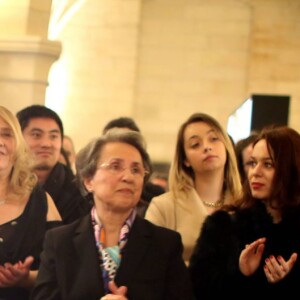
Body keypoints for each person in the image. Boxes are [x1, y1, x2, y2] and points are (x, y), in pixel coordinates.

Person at [31, 129, 193, 300]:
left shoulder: (165, 244)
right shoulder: (60, 242)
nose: (128, 177)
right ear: (88, 180)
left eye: (136, 170)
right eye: (115, 166)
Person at [189, 126, 300, 299]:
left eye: (268, 164)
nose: (255, 172)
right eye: (253, 163)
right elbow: (197, 290)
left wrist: (286, 283)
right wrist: (240, 272)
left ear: (291, 170)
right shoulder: (223, 226)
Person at [145, 112, 242, 265]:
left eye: (214, 139)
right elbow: (149, 262)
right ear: (185, 160)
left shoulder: (244, 204)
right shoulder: (164, 206)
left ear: (226, 146)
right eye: (195, 144)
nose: (207, 147)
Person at [0, 106, 62, 300]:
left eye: (6, 134)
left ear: (17, 143)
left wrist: (25, 278)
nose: (0, 142)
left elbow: (62, 267)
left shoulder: (41, 201)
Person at [16, 105, 90, 224]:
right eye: (36, 135)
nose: (46, 144)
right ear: (17, 138)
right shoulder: (4, 185)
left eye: (53, 136)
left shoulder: (80, 193)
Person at [102, 116, 165, 216]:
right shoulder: (82, 204)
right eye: (115, 167)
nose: (127, 177)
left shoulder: (157, 199)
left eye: (130, 144)